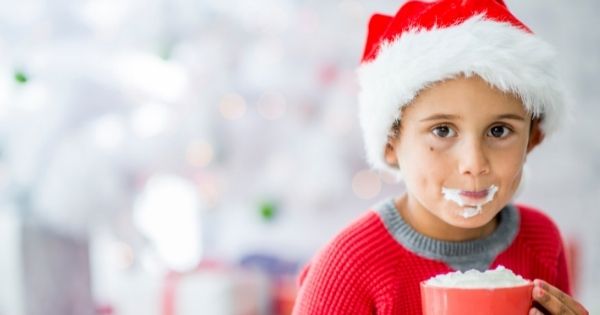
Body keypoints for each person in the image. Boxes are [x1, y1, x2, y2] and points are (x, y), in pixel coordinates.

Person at [292, 0, 589, 314]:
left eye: (499, 131)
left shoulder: (541, 241)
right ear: (391, 142)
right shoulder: (348, 267)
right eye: (443, 131)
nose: (474, 164)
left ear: (533, 138)